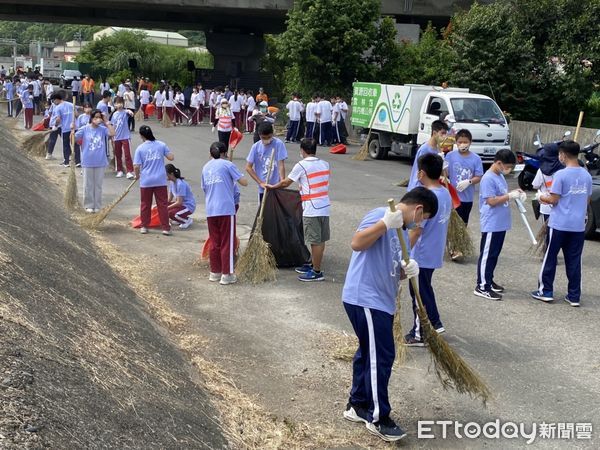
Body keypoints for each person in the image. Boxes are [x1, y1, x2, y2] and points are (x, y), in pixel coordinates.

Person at [342, 187, 437, 443]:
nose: (421, 223)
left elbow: (391, 265)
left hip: (380, 301)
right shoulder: (380, 214)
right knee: (381, 356)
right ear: (418, 210)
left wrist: (407, 271)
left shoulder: (401, 233)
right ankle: (378, 417)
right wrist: (384, 223)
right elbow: (357, 243)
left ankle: (357, 405)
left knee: (369, 352)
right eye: (423, 218)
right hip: (365, 297)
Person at [531, 141, 592, 306]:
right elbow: (587, 200)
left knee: (550, 257)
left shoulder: (561, 175)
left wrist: (540, 197)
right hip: (578, 226)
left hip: (559, 225)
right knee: (574, 260)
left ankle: (545, 291)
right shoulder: (586, 175)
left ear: (563, 155)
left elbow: (553, 200)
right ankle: (574, 296)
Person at [404, 153, 452, 346]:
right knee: (425, 287)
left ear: (421, 172)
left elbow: (416, 231)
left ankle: (419, 333)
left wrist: (403, 252)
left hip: (421, 253)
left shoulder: (426, 199)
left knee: (418, 292)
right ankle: (436, 322)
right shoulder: (445, 192)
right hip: (434, 249)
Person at [266, 138, 330, 281]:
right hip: (324, 206)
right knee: (320, 239)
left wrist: (272, 186)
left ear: (302, 150)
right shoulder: (325, 164)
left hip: (312, 208)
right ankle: (313, 264)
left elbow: (286, 183)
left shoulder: (302, 165)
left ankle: (316, 272)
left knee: (315, 241)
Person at [475, 149, 524, 300]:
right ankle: (482, 286)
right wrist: (509, 196)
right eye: (507, 166)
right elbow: (491, 201)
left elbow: (502, 194)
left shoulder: (499, 176)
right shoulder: (488, 178)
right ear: (498, 163)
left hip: (500, 222)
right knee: (487, 255)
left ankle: (488, 280)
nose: (508, 170)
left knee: (494, 255)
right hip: (491, 222)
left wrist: (514, 193)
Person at [201, 141, 248, 285]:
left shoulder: (205, 167)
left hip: (211, 209)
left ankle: (215, 272)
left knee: (215, 242)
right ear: (224, 153)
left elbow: (204, 188)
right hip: (226, 208)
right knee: (227, 241)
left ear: (210, 153)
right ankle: (227, 274)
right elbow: (244, 182)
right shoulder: (228, 165)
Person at [444, 129, 484, 260]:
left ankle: (459, 246)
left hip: (466, 198)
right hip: (452, 197)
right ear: (456, 142)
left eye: (465, 142)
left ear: (470, 143)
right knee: (451, 223)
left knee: (463, 223)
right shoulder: (450, 156)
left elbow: (479, 176)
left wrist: (470, 181)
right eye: (460, 142)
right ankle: (453, 248)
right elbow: (445, 173)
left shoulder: (476, 159)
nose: (462, 144)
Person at [133, 125, 175, 236]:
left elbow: (136, 166)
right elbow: (171, 157)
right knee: (162, 204)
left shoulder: (140, 148)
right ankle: (165, 227)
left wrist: (137, 176)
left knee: (145, 204)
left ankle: (144, 226)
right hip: (160, 180)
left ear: (142, 136)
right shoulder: (161, 145)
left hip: (146, 180)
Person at [75, 109, 116, 213]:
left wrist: (107, 121)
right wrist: (72, 130)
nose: (98, 119)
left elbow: (112, 133)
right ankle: (89, 205)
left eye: (99, 117)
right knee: (88, 185)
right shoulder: (84, 129)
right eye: (95, 117)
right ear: (91, 118)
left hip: (100, 161)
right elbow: (73, 139)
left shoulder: (102, 129)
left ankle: (97, 205)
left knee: (98, 185)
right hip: (87, 161)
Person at [245, 122, 288, 204]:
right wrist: (260, 182)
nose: (266, 139)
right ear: (259, 135)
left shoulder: (278, 144)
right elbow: (248, 167)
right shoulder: (256, 147)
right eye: (263, 138)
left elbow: (281, 165)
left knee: (276, 212)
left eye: (269, 137)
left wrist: (282, 181)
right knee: (262, 212)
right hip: (263, 187)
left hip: (276, 186)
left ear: (272, 134)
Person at [407, 120, 449, 191]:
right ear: (434, 133)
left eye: (445, 134)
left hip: (429, 188)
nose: (444, 136)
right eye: (442, 133)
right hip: (418, 188)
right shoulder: (424, 149)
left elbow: (442, 172)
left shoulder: (439, 149)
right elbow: (421, 172)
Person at [532, 143, 564, 223]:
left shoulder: (541, 170)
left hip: (546, 205)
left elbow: (535, 185)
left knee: (546, 231)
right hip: (561, 206)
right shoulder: (563, 168)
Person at [110, 97, 135, 179]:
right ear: (115, 104)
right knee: (118, 154)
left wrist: (130, 112)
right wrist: (112, 136)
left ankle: (129, 171)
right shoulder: (114, 114)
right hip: (117, 137)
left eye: (120, 103)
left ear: (123, 104)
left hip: (125, 136)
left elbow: (130, 113)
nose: (119, 104)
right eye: (117, 103)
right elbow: (113, 125)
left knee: (127, 154)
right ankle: (119, 170)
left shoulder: (125, 112)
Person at [165, 164, 195, 229]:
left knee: (172, 213)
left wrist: (167, 208)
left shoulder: (180, 184)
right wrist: (161, 206)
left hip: (188, 206)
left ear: (171, 174)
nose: (164, 176)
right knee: (164, 208)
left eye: (166, 174)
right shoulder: (171, 182)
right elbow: (169, 199)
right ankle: (179, 219)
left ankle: (187, 220)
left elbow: (179, 202)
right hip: (181, 205)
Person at [53, 91, 76, 166]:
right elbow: (76, 114)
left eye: (53, 100)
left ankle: (66, 161)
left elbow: (58, 119)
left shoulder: (58, 108)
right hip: (74, 128)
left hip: (65, 129)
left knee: (66, 145)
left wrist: (55, 125)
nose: (53, 102)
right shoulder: (71, 104)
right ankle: (78, 161)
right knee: (75, 144)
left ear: (57, 99)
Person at [73, 102, 92, 168]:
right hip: (83, 137)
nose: (87, 109)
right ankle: (83, 164)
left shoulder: (93, 116)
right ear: (83, 109)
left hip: (91, 136)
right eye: (86, 107)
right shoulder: (81, 117)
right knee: (83, 151)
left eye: (89, 107)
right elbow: (78, 127)